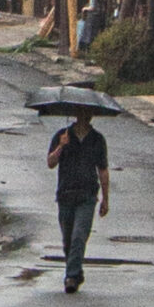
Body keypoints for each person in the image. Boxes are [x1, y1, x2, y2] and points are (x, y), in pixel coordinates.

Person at [45, 111, 111, 294]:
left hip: (87, 195)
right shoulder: (62, 135)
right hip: (65, 194)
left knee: (78, 236)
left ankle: (71, 276)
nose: (84, 117)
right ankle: (76, 271)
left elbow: (103, 170)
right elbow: (50, 162)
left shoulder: (97, 139)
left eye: (87, 113)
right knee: (67, 240)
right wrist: (61, 146)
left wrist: (105, 199)